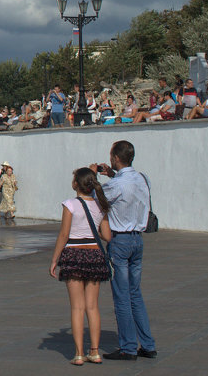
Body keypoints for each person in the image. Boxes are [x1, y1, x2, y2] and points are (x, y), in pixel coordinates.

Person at [90, 140, 157, 361]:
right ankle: (147, 344)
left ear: (116, 158)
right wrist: (111, 174)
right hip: (138, 239)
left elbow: (97, 198)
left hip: (120, 241)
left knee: (121, 296)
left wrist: (94, 178)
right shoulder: (142, 178)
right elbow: (124, 188)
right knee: (135, 294)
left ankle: (128, 346)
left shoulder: (117, 185)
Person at [48, 167, 113, 365]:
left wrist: (54, 260)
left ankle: (78, 354)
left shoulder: (70, 205)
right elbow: (108, 236)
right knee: (92, 307)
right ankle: (95, 351)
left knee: (77, 307)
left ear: (76, 184)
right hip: (94, 254)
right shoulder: (100, 206)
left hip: (74, 254)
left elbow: (64, 234)